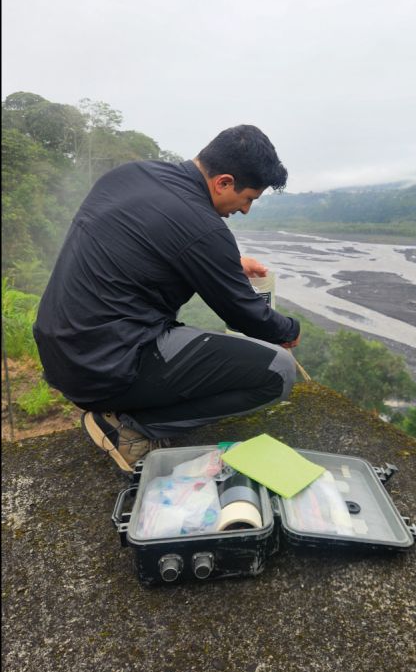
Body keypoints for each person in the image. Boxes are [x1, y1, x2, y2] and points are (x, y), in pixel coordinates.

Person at [33, 123, 303, 473]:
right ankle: (128, 429)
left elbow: (142, 244)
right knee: (278, 371)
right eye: (248, 198)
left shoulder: (130, 175)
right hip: (108, 366)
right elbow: (246, 315)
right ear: (223, 182)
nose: (246, 209)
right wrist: (289, 330)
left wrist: (230, 264)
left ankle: (126, 409)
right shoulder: (205, 227)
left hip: (64, 353)